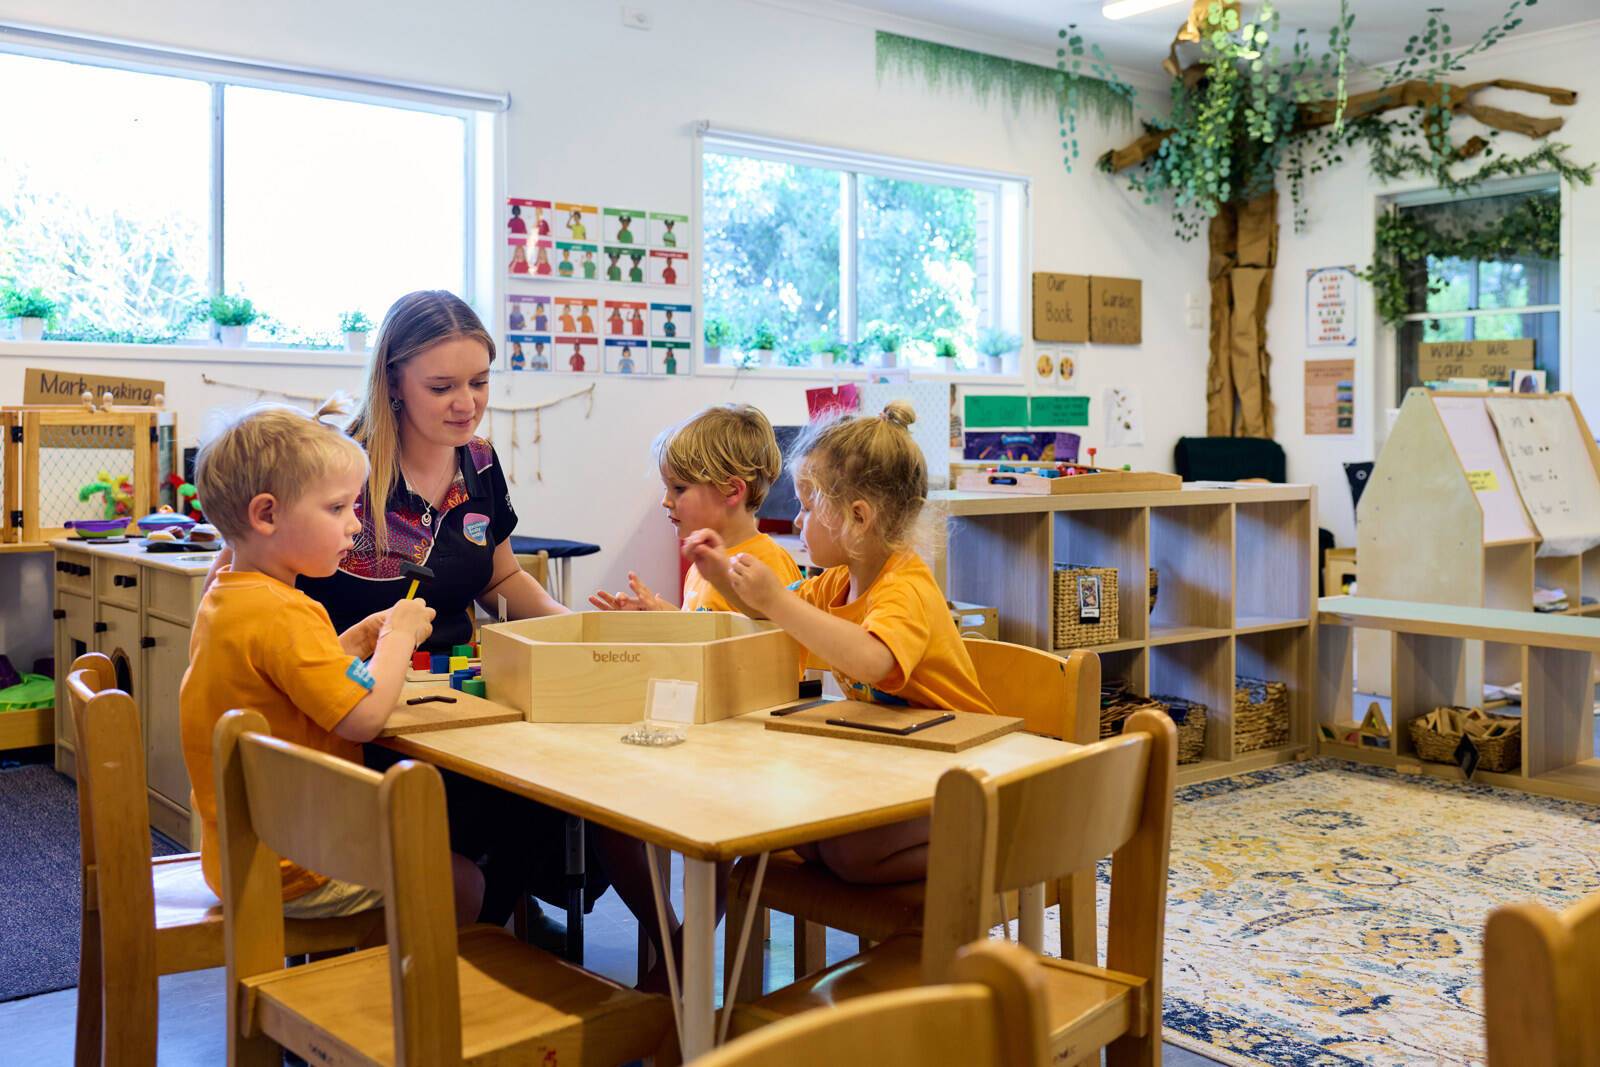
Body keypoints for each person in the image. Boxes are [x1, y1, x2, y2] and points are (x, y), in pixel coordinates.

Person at [179, 398, 482, 925]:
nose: (354, 525)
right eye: (338, 508)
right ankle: (411, 1001)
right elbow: (363, 719)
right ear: (267, 514)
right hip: (300, 865)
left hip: (239, 853)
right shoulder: (285, 613)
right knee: (461, 879)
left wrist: (356, 641)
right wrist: (398, 640)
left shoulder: (229, 595)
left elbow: (279, 683)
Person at [683, 401, 996, 884]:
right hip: (902, 759)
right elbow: (765, 609)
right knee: (804, 836)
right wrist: (720, 574)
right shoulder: (837, 582)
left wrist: (779, 602)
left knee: (850, 854)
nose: (796, 522)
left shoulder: (905, 586)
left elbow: (873, 659)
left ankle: (991, 850)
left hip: (963, 771)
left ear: (858, 517)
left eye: (808, 508)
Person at [590, 403, 800, 614]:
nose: (665, 500)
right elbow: (703, 625)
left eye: (679, 488)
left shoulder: (767, 564)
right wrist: (657, 613)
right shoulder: (706, 563)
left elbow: (782, 639)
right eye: (667, 488)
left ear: (732, 491)